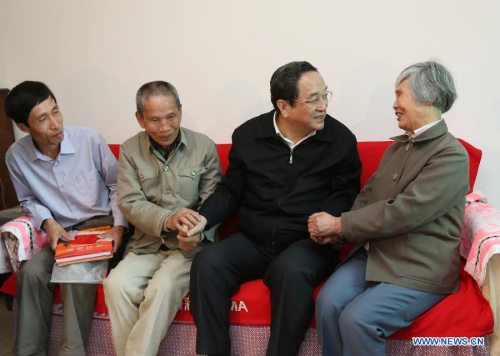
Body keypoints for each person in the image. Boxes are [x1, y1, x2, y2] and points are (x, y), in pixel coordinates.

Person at [182, 61, 362, 356]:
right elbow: (231, 190)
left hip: (307, 242)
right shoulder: (248, 135)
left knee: (290, 271)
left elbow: (346, 191)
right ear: (284, 106)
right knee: (207, 263)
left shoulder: (339, 139)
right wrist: (203, 218)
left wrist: (329, 220)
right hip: (254, 240)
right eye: (313, 99)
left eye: (325, 95)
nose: (323, 106)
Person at [310, 61, 469, 356]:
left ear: (429, 96)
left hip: (419, 266)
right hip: (374, 254)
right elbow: (367, 196)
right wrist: (341, 234)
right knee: (328, 303)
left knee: (358, 320)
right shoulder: (397, 148)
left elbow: (405, 211)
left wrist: (339, 225)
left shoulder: (452, 155)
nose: (394, 104)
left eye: (400, 95)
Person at [4, 81, 128, 356]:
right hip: (62, 233)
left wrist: (119, 227)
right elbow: (28, 200)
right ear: (24, 127)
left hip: (102, 226)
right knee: (32, 275)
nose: (56, 123)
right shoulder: (16, 156)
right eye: (43, 118)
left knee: (74, 274)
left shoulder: (89, 140)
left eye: (56, 111)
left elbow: (118, 186)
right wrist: (49, 223)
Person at [102, 81, 222, 356]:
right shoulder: (130, 150)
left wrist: (196, 232)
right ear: (140, 118)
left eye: (171, 116)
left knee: (162, 286)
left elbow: (213, 201)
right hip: (146, 244)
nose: (165, 127)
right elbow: (130, 202)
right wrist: (168, 219)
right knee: (116, 284)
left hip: (190, 248)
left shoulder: (204, 146)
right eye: (154, 120)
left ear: (180, 110)